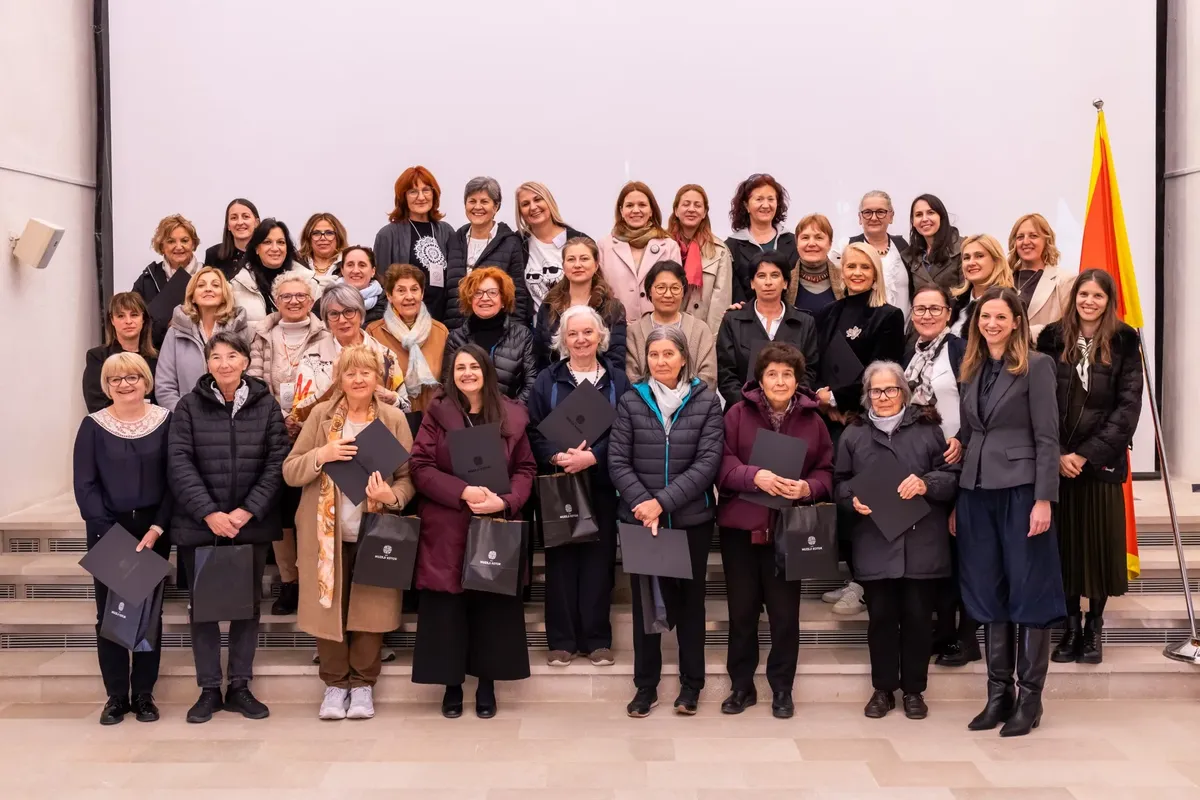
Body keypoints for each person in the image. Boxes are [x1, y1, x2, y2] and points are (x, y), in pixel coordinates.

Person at [283, 345, 417, 720]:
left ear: (378, 378)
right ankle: (334, 685)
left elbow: (408, 478)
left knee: (370, 609)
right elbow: (290, 471)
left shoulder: (393, 419)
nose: (358, 380)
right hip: (325, 533)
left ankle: (362, 685)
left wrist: (392, 496)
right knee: (327, 609)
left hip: (374, 530)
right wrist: (321, 455)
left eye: (365, 373)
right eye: (350, 373)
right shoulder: (321, 416)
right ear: (339, 379)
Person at [956, 286, 1064, 738]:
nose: (992, 324)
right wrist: (958, 449)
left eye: (1001, 317)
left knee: (1029, 590)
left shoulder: (1037, 366)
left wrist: (1044, 499)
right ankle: (997, 695)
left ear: (1017, 321)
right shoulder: (972, 366)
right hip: (976, 492)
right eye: (985, 317)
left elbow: (1047, 437)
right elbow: (971, 429)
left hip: (1022, 492)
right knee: (988, 591)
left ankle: (1030, 699)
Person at [167, 332, 290, 724]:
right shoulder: (188, 407)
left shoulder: (266, 405)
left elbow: (278, 461)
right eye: (216, 356)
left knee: (246, 607)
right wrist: (209, 513)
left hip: (248, 524)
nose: (224, 363)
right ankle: (208, 689)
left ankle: (239, 686)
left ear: (245, 362)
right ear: (207, 364)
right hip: (200, 524)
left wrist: (247, 510)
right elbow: (178, 462)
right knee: (203, 609)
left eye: (232, 355)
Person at [410, 345, 536, 719]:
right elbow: (420, 466)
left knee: (491, 608)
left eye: (474, 367)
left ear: (486, 371)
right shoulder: (437, 413)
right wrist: (462, 491)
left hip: (494, 522)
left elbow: (526, 469)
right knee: (448, 609)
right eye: (460, 367)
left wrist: (506, 501)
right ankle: (451, 686)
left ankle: (486, 685)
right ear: (451, 375)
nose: (467, 373)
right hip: (447, 522)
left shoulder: (511, 414)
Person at [609, 325, 724, 718]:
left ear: (683, 358)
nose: (661, 361)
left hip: (691, 519)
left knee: (691, 605)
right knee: (647, 607)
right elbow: (617, 461)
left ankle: (691, 686)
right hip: (642, 521)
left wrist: (662, 502)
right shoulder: (631, 400)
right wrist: (645, 505)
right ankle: (646, 687)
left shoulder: (706, 401)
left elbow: (707, 463)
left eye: (668, 354)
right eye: (654, 354)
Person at [836, 361, 959, 720]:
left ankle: (914, 691)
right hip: (875, 540)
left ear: (904, 393)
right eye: (876, 391)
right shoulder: (854, 434)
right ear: (867, 395)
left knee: (919, 619)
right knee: (881, 620)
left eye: (891, 389)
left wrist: (926, 484)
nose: (884, 396)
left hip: (922, 543)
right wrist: (851, 500)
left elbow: (952, 476)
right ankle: (883, 690)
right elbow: (839, 482)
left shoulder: (928, 429)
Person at [716, 342, 833, 719]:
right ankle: (741, 686)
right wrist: (754, 477)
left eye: (787, 374)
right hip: (741, 528)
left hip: (789, 530)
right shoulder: (737, 414)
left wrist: (808, 489)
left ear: (798, 380)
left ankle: (782, 688)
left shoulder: (814, 421)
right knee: (742, 613)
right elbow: (721, 463)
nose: (780, 381)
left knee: (785, 616)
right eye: (772, 374)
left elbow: (826, 470)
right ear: (760, 379)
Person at [1037, 270, 1143, 665]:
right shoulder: (1052, 337)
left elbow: (1128, 408)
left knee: (1097, 549)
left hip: (1100, 466)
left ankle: (1094, 627)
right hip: (1058, 464)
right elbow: (1041, 400)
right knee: (1064, 550)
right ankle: (1070, 627)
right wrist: (1059, 453)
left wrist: (1084, 455)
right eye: (1084, 294)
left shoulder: (1124, 339)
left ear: (1108, 300)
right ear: (1074, 297)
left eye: (1098, 296)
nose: (1089, 302)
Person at [527, 305, 632, 667]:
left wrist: (594, 457)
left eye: (588, 332)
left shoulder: (618, 381)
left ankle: (597, 640)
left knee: (598, 564)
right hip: (560, 484)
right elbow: (533, 431)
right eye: (573, 333)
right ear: (563, 339)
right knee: (560, 563)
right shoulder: (547, 380)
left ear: (601, 336)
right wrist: (557, 456)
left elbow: (627, 431)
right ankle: (561, 641)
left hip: (601, 484)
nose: (581, 339)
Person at [73, 353, 172, 725]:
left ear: (146, 381)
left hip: (153, 531)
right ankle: (116, 696)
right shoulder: (93, 426)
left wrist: (158, 527)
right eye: (116, 379)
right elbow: (85, 484)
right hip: (107, 531)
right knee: (110, 614)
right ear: (107, 386)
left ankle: (144, 694)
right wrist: (109, 534)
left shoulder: (166, 421)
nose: (125, 384)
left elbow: (175, 480)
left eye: (132, 377)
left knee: (149, 614)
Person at [812, 242, 905, 616]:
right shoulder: (827, 313)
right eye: (850, 266)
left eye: (864, 267)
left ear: (875, 272)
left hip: (869, 423)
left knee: (868, 503)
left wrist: (838, 397)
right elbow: (817, 363)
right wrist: (825, 401)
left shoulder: (888, 316)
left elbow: (883, 372)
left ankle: (868, 584)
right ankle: (855, 577)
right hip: (831, 423)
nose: (856, 273)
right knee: (843, 502)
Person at [247, 269, 338, 616]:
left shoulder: (326, 335)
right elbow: (254, 383)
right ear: (275, 301)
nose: (294, 301)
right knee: (281, 510)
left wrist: (305, 419)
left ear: (312, 301)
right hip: (273, 432)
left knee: (311, 509)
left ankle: (315, 579)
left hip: (316, 433)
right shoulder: (261, 335)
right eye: (286, 296)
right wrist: (280, 419)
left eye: (301, 295)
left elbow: (332, 382)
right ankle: (290, 582)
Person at [903, 284, 976, 667]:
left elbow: (978, 405)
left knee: (964, 551)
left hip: (959, 460)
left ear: (949, 313)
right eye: (920, 308)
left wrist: (962, 439)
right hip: (923, 464)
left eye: (935, 308)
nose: (927, 315)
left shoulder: (962, 350)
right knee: (937, 551)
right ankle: (944, 630)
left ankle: (968, 637)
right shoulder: (909, 353)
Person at [292, 282, 409, 424]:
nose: (342, 320)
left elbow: (406, 409)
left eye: (348, 311)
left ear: (360, 314)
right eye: (334, 314)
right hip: (327, 435)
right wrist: (332, 385)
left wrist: (392, 399)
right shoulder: (312, 358)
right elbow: (298, 415)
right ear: (326, 320)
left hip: (377, 434)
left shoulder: (385, 356)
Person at [716, 251, 820, 409]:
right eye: (761, 276)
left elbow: (809, 371)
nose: (768, 282)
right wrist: (750, 408)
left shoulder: (804, 322)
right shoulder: (732, 320)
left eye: (775, 275)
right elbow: (726, 373)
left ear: (785, 283)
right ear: (752, 283)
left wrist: (786, 405)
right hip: (743, 410)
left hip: (791, 411)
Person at [154, 267, 251, 412]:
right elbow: (164, 386)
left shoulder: (239, 329)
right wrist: (185, 414)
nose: (208, 289)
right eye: (201, 285)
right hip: (186, 417)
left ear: (224, 295)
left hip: (232, 416)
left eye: (215, 285)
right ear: (192, 296)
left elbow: (249, 377)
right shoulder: (175, 333)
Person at [444, 177, 530, 328]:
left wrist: (515, 334)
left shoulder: (510, 243)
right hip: (456, 332)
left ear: (496, 207)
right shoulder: (454, 240)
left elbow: (518, 296)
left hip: (496, 332)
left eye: (484, 201)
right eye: (472, 201)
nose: (477, 207)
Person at [533, 236, 627, 372]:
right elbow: (538, 355)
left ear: (596, 265)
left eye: (584, 259)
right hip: (554, 380)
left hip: (599, 381)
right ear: (563, 266)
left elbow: (616, 360)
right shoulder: (549, 305)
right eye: (571, 259)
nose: (577, 265)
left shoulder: (612, 308)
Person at [372, 165, 455, 320]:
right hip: (403, 323)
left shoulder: (446, 231)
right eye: (413, 192)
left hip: (442, 322)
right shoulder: (388, 235)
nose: (421, 197)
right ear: (403, 197)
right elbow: (381, 284)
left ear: (434, 194)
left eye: (426, 190)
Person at [443, 267, 536, 403]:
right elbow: (448, 383)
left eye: (492, 292)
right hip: (466, 413)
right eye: (478, 293)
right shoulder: (455, 338)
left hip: (510, 413)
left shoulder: (522, 336)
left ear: (503, 300)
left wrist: (511, 411)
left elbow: (531, 383)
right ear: (470, 299)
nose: (485, 298)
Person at [366, 263, 448, 413]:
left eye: (414, 289)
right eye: (401, 290)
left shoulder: (440, 332)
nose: (409, 296)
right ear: (389, 296)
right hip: (392, 418)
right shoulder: (374, 333)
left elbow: (448, 383)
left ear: (422, 294)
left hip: (433, 419)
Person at [596, 181, 682, 325]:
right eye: (630, 205)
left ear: (651, 210)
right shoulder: (604, 245)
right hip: (615, 327)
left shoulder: (669, 246)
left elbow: (676, 291)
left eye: (642, 205)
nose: (636, 210)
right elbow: (600, 289)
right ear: (621, 211)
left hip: (659, 328)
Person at [628, 260, 718, 390]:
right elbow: (632, 378)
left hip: (695, 401)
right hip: (644, 401)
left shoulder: (700, 330)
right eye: (661, 288)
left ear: (683, 291)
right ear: (649, 291)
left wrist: (684, 398)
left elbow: (708, 378)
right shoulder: (634, 332)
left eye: (675, 288)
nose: (668, 294)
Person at [514, 181, 589, 316]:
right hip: (535, 327)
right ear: (520, 212)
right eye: (525, 204)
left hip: (577, 323)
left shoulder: (579, 240)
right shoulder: (517, 244)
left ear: (549, 201)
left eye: (538, 199)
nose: (533, 207)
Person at [667, 184, 733, 336]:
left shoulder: (719, 251)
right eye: (686, 204)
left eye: (697, 205)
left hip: (700, 332)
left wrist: (710, 341)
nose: (691, 209)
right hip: (665, 330)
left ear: (704, 213)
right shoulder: (661, 245)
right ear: (676, 210)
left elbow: (720, 305)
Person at [838, 190, 911, 321]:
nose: (874, 218)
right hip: (860, 329)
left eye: (880, 212)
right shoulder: (846, 246)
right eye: (867, 212)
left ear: (891, 216)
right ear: (860, 217)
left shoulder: (904, 247)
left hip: (904, 330)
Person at [726, 173, 798, 304]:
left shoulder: (794, 242)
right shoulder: (731, 247)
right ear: (746, 205)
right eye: (759, 199)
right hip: (747, 314)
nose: (765, 205)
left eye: (771, 199)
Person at [132, 213, 203, 346]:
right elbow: (134, 321)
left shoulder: (208, 276)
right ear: (161, 247)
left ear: (193, 244)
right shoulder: (147, 279)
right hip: (157, 351)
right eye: (171, 241)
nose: (179, 246)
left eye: (184, 240)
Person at [83, 292, 158, 413]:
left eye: (134, 315)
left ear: (143, 319)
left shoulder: (156, 358)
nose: (128, 321)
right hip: (110, 423)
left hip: (151, 421)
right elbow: (96, 405)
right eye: (121, 316)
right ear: (112, 320)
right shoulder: (97, 357)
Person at [231, 218, 311, 325]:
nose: (275, 248)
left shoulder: (309, 281)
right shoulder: (236, 286)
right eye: (267, 242)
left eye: (281, 242)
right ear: (256, 248)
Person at [1009, 213, 1074, 341]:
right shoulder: (1002, 279)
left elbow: (1071, 326)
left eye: (1033, 236)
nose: (1026, 242)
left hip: (1043, 351)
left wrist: (1028, 334)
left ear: (1046, 241)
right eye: (1020, 237)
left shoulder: (1065, 280)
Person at [949, 234, 1015, 337]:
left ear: (996, 261)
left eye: (979, 256)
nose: (971, 262)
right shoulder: (955, 302)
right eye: (966, 258)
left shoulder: (1010, 302)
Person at [902, 194, 963, 297]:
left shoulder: (963, 248)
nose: (924, 219)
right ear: (913, 222)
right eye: (919, 215)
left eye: (930, 213)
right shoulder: (909, 257)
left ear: (941, 216)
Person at [788, 213, 843, 315]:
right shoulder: (785, 281)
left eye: (819, 237)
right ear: (797, 243)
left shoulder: (845, 278)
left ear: (830, 243)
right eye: (805, 238)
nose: (811, 244)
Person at [203, 198, 259, 279]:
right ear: (228, 225)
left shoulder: (267, 253)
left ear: (256, 223)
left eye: (246, 217)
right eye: (234, 218)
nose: (240, 222)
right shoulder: (213, 255)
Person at [332, 245, 387, 327]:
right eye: (350, 265)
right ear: (342, 270)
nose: (356, 271)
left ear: (373, 271)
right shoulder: (326, 300)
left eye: (362, 265)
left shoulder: (388, 304)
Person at [298, 212, 349, 296]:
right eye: (316, 233)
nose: (322, 238)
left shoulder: (349, 265)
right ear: (308, 238)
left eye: (329, 233)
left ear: (338, 237)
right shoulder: (295, 265)